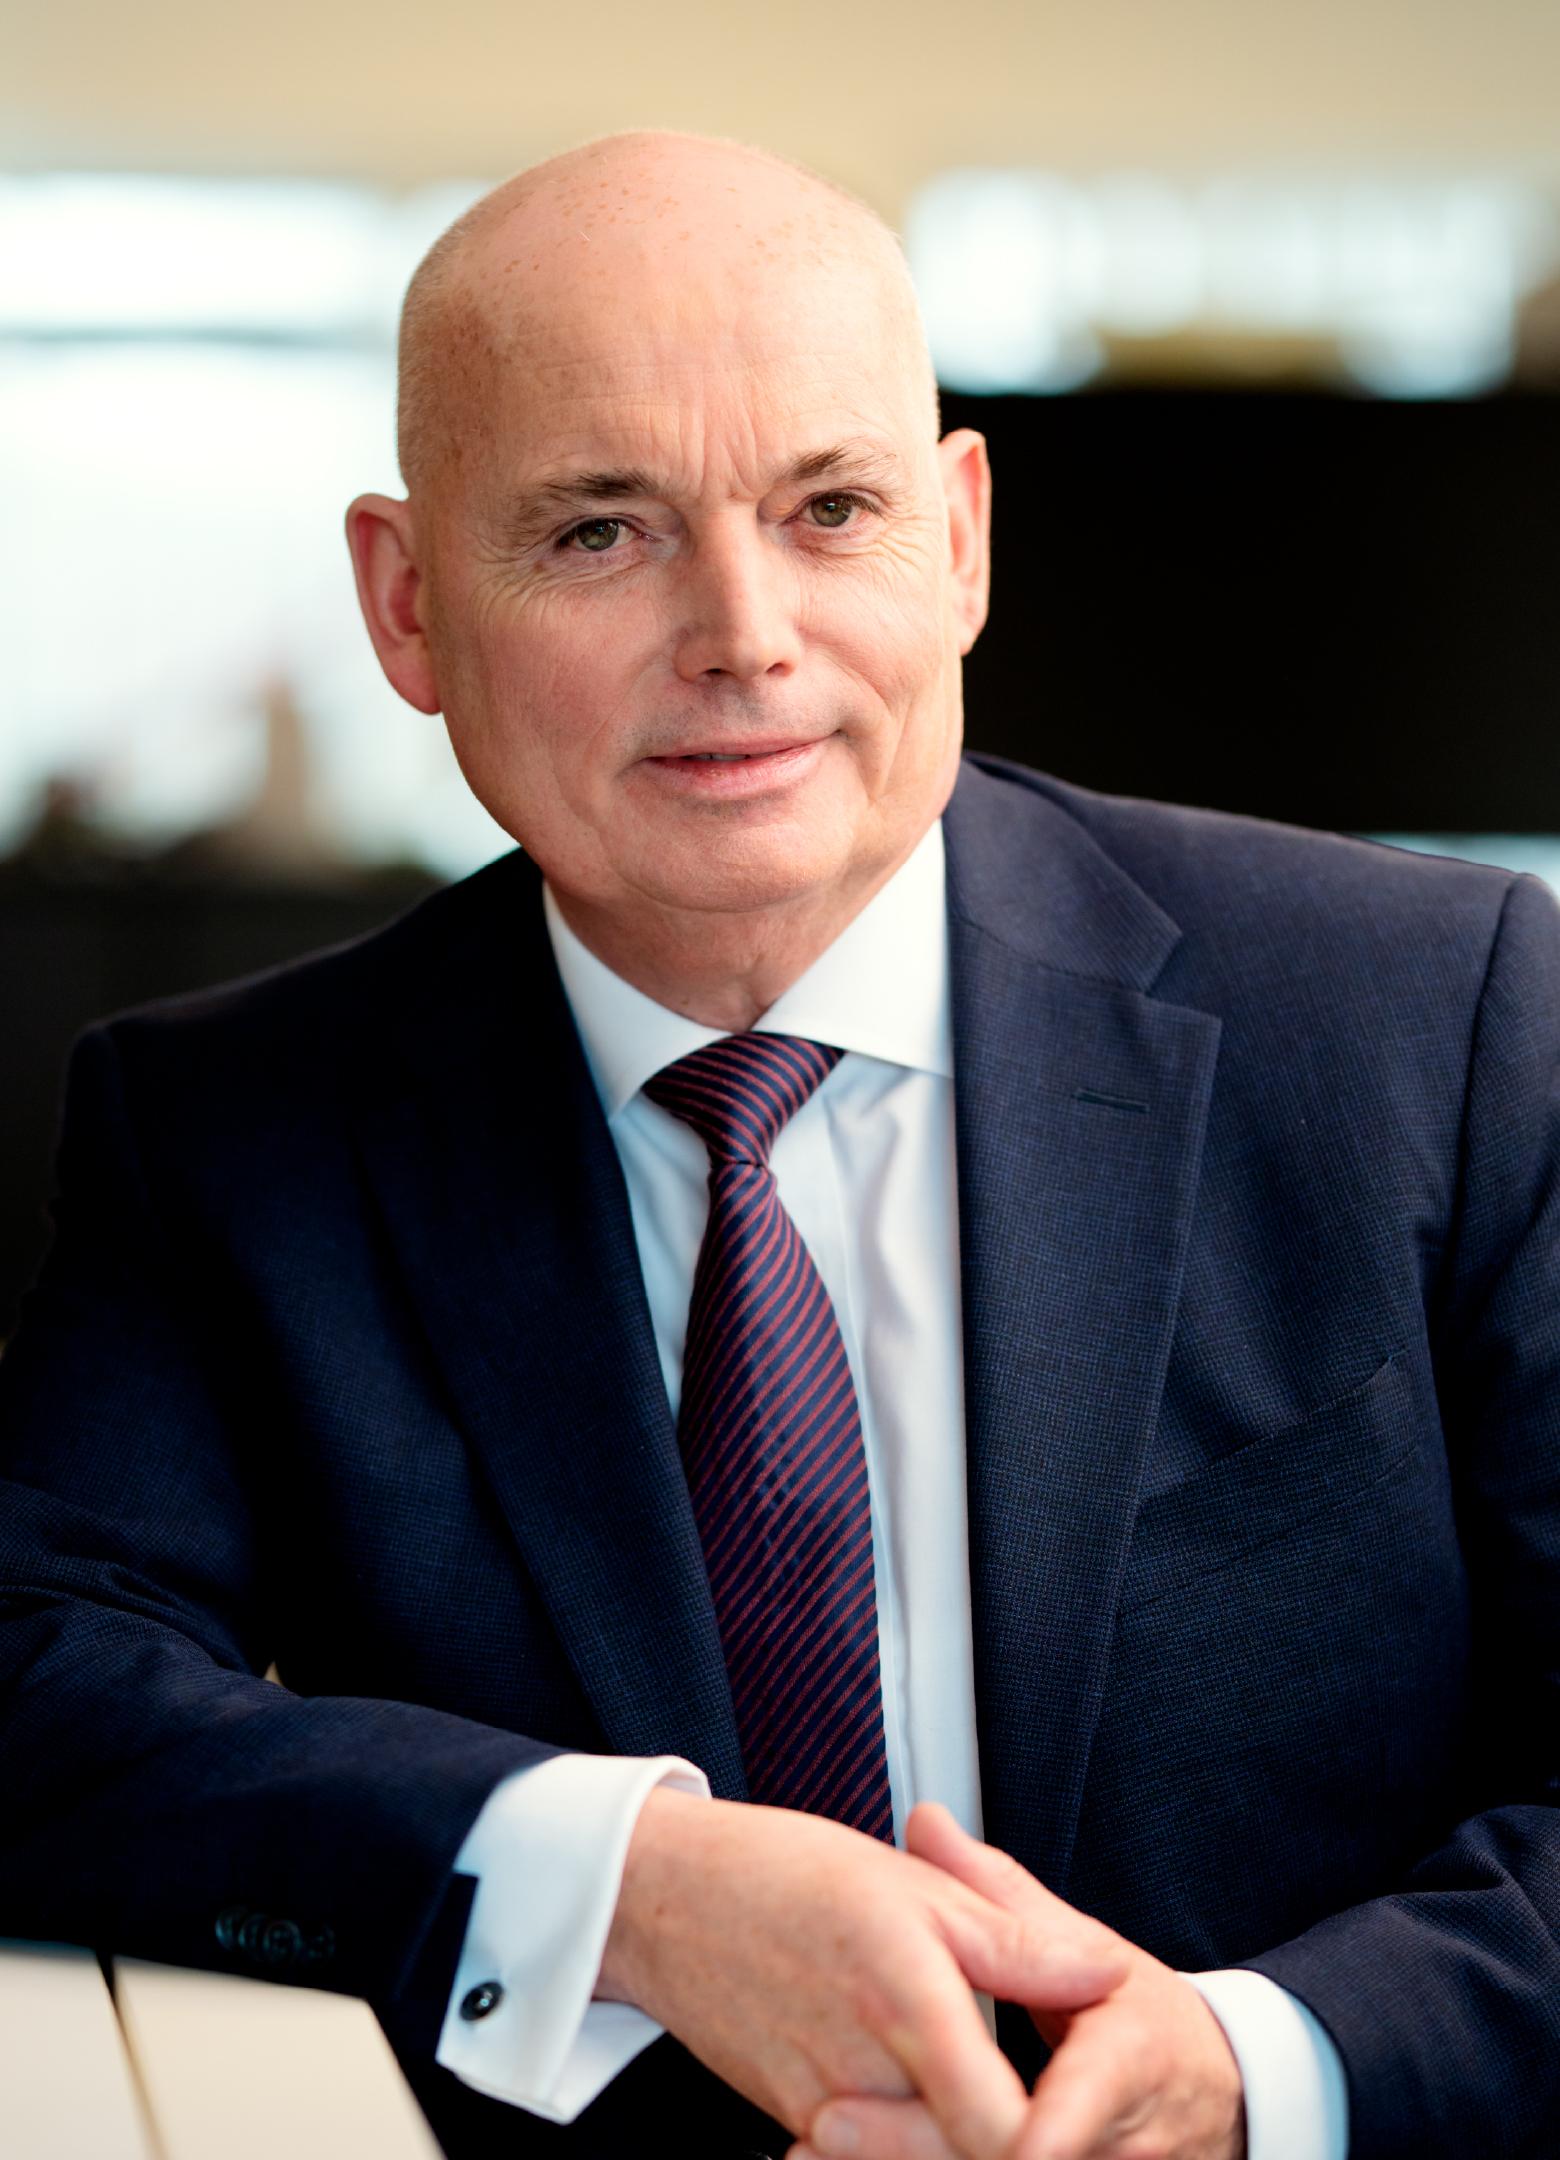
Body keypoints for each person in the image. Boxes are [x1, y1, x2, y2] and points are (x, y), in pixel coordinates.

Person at [1, 127, 1556, 2160]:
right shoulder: (226, 1131)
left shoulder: (1435, 1021)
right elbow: (34, 1689)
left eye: (831, 509)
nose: (743, 632)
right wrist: (624, 1891)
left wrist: (1255, 2070)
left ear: (962, 539)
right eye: (600, 532)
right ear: (406, 605)